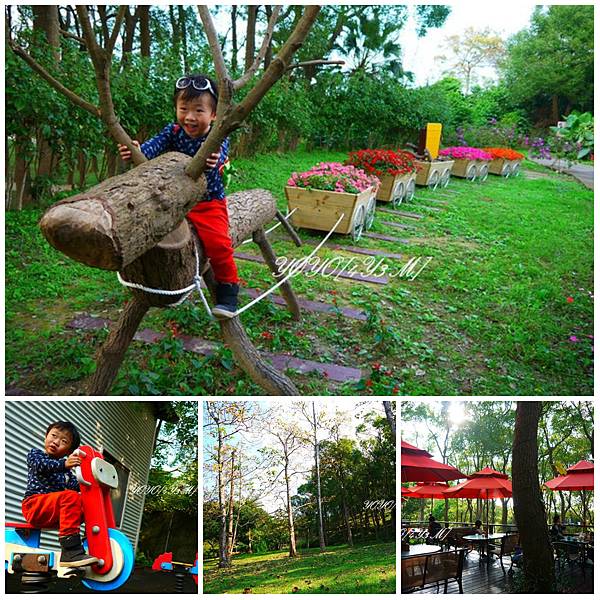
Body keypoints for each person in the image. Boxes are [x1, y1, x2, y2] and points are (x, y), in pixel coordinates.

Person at [118, 73, 239, 318]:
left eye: (199, 110)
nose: (190, 117)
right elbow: (152, 148)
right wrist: (136, 151)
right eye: (183, 108)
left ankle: (228, 288)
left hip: (207, 203)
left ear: (213, 114)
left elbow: (219, 153)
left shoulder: (217, 136)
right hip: (174, 202)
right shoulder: (173, 131)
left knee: (219, 243)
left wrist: (213, 159)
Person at [21, 421, 98, 568]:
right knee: (70, 496)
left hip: (53, 513)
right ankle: (70, 550)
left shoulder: (67, 473)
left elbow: (79, 486)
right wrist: (64, 465)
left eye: (64, 441)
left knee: (83, 501)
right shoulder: (35, 455)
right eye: (54, 435)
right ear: (46, 436)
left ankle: (91, 543)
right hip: (34, 506)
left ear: (69, 451)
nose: (56, 442)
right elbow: (41, 466)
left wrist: (94, 478)